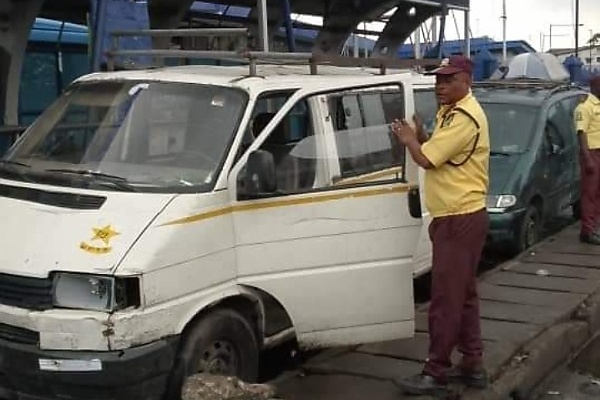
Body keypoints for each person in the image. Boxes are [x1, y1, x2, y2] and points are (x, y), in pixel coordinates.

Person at [391, 55, 490, 396]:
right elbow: (437, 147)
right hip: (459, 215)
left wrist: (409, 140)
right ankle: (472, 363)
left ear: (466, 80)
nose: (440, 87)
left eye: (448, 81)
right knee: (464, 296)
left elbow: (427, 159)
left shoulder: (464, 117)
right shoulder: (452, 113)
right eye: (437, 81)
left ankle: (435, 372)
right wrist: (422, 134)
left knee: (446, 298)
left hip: (459, 218)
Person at [575, 76, 600, 245]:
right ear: (594, 86)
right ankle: (587, 230)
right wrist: (588, 159)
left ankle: (594, 226)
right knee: (590, 193)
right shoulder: (583, 108)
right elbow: (581, 133)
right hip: (591, 152)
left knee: (598, 192)